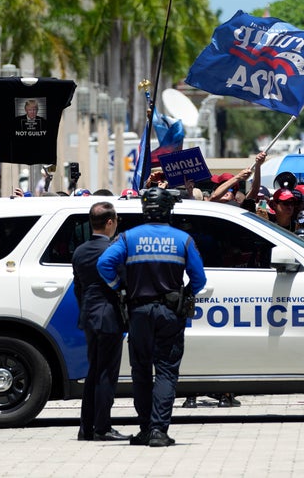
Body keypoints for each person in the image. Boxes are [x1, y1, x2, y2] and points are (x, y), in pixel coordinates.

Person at [96, 188, 206, 447]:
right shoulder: (183, 239)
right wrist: (186, 293)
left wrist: (118, 287)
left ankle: (145, 428)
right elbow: (200, 278)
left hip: (138, 312)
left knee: (141, 371)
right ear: (168, 210)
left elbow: (104, 264)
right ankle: (158, 430)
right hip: (169, 313)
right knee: (167, 372)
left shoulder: (127, 237)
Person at [72, 202, 130, 442]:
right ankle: (102, 427)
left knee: (94, 371)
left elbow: (78, 288)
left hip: (88, 315)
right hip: (108, 316)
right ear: (109, 222)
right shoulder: (114, 250)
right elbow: (124, 281)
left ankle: (86, 427)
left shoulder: (80, 251)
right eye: (116, 220)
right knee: (106, 374)